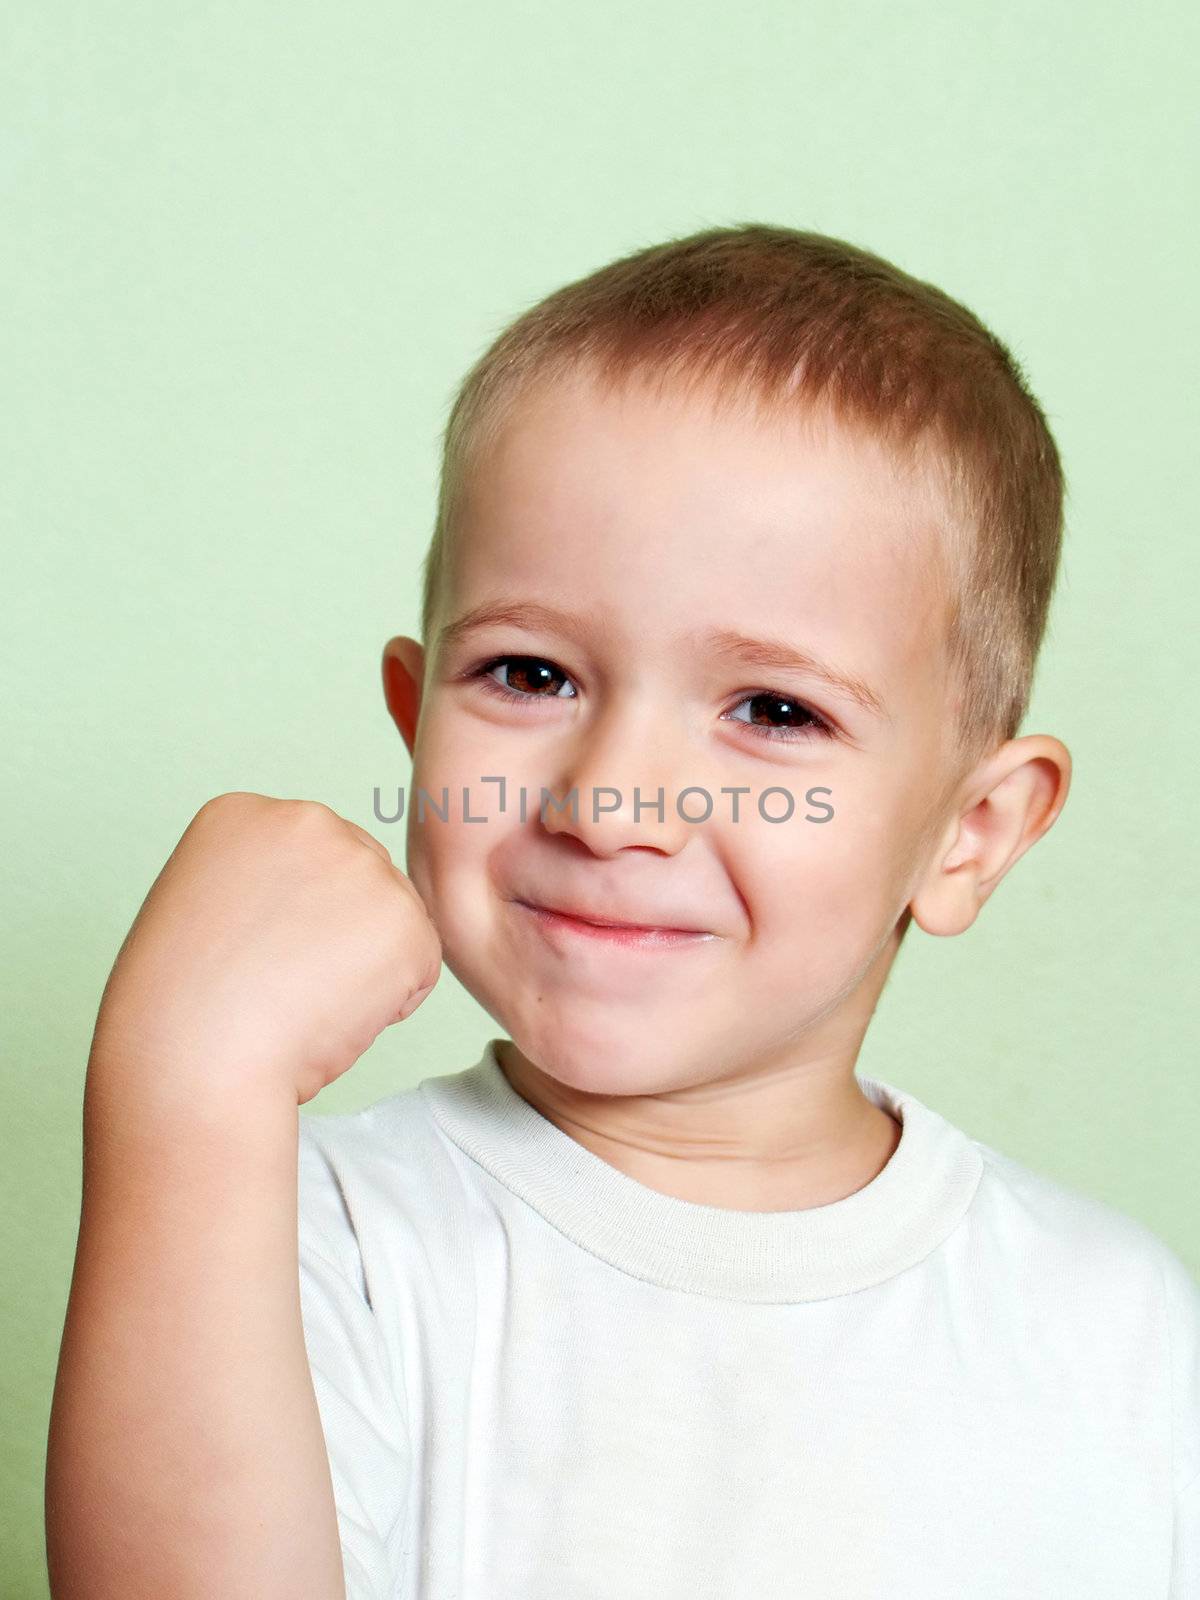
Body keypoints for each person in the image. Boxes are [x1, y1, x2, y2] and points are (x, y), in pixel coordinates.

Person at [46, 225, 1199, 1599]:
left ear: (969, 832)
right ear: (415, 726)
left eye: (774, 711)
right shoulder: (294, 1246)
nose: (610, 806)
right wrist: (185, 1089)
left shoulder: (1113, 1327)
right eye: (530, 676)